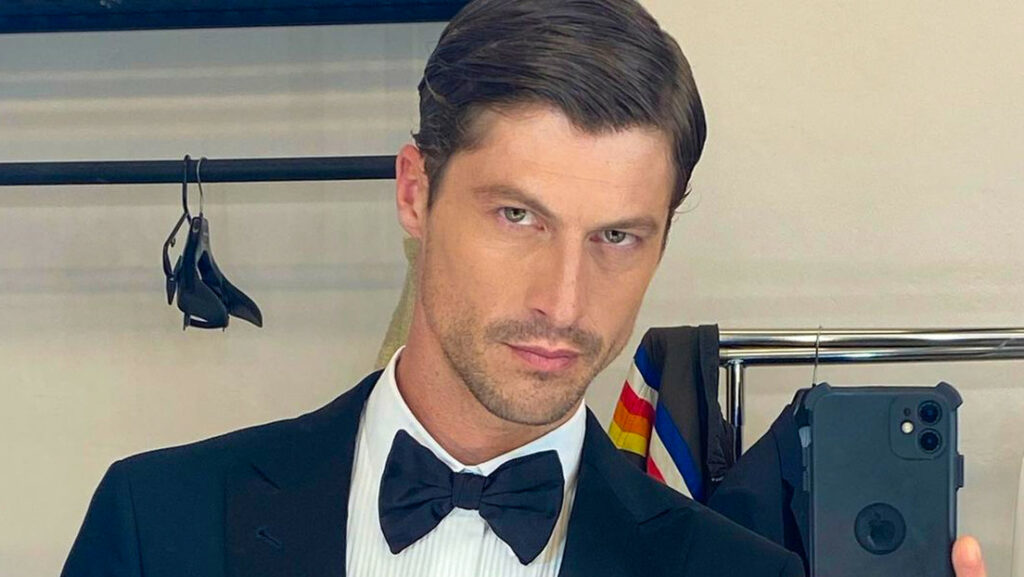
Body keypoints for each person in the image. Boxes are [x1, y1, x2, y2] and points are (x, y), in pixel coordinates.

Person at [62, 0, 989, 576]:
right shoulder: (158, 522)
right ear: (415, 192)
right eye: (518, 217)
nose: (564, 301)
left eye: (617, 236)